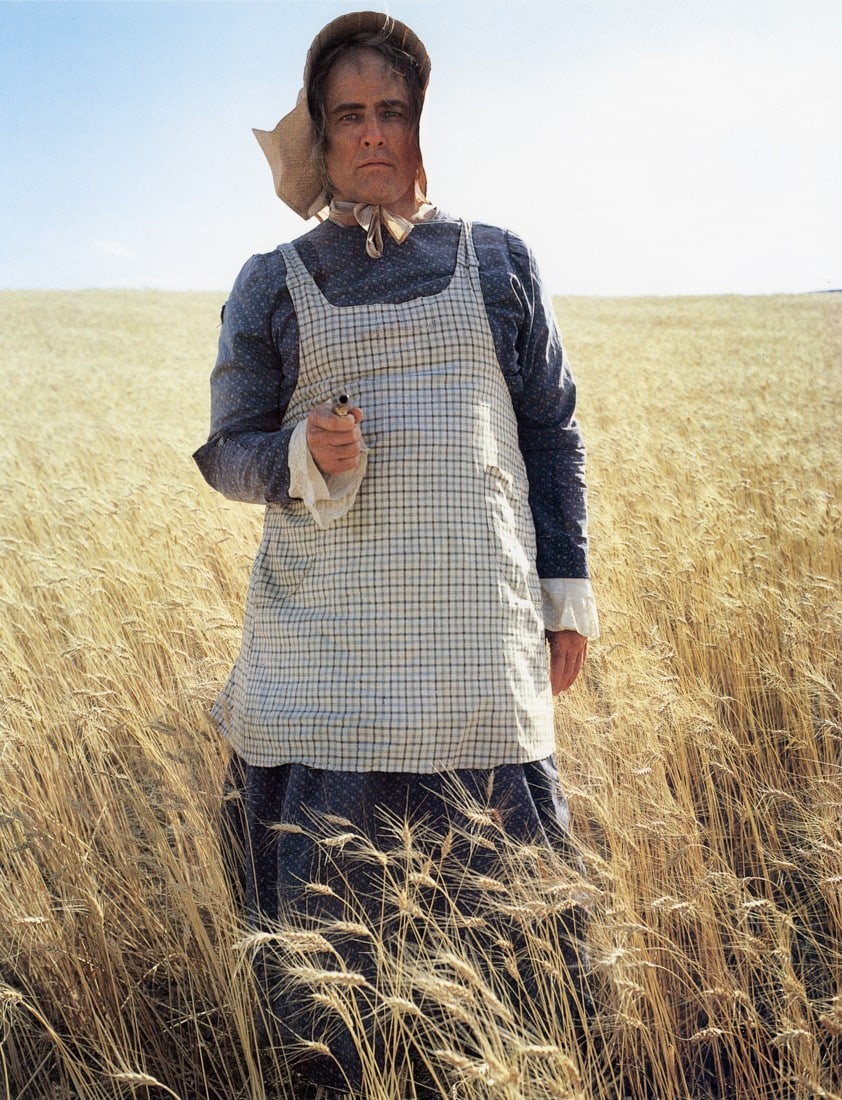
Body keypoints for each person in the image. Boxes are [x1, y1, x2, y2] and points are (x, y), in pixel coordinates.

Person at [194, 11, 599, 1097]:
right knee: (333, 980)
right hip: (326, 664)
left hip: (476, 651)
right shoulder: (272, 280)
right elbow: (227, 452)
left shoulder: (498, 260)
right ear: (320, 135)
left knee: (512, 961)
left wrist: (564, 593)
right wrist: (299, 452)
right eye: (347, 116)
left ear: (422, 124)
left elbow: (551, 430)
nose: (371, 133)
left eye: (391, 111)